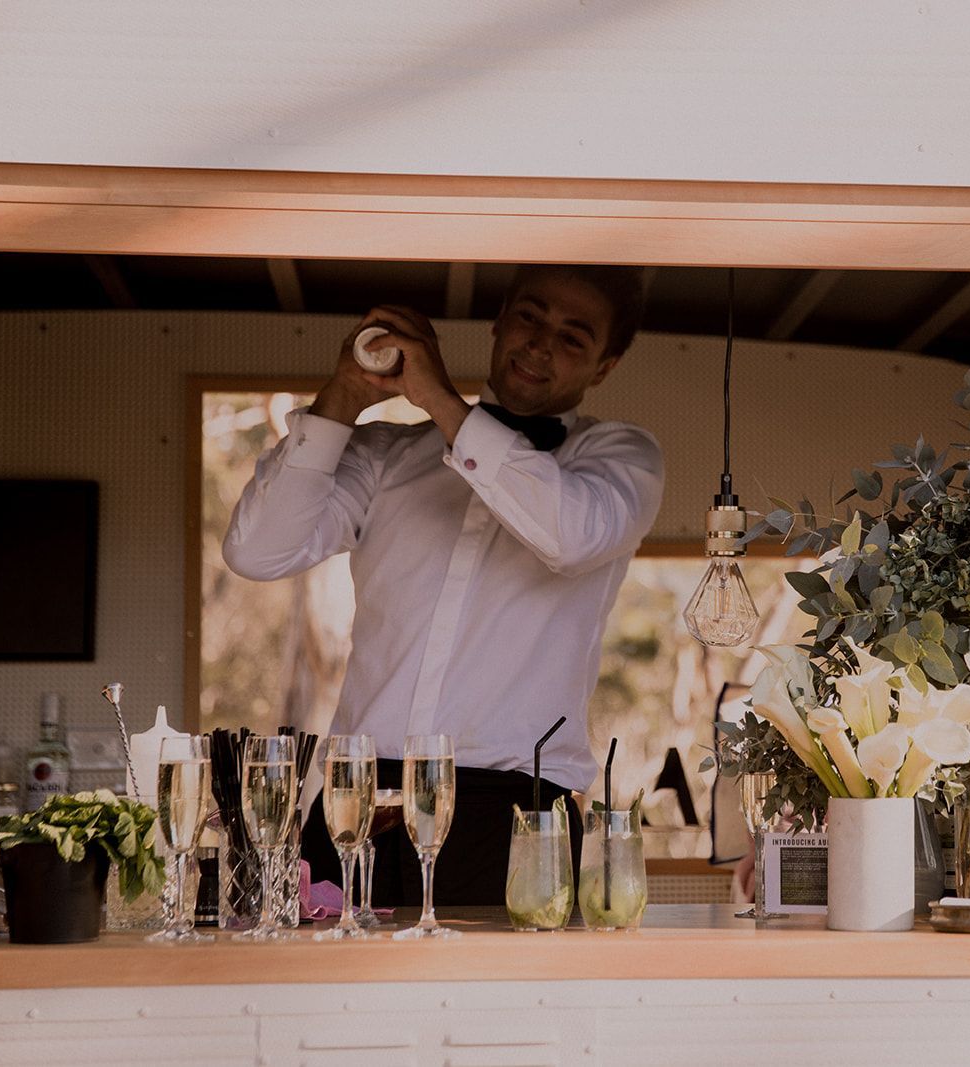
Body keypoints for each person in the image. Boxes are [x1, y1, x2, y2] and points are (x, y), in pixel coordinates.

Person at [222, 264, 662, 907]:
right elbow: (257, 552)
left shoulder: (621, 458)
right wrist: (343, 393)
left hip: (513, 814)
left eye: (574, 336)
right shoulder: (384, 455)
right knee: (324, 1001)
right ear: (499, 322)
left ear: (605, 366)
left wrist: (440, 401)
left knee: (500, 1008)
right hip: (355, 800)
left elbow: (569, 536)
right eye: (530, 317)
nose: (541, 343)